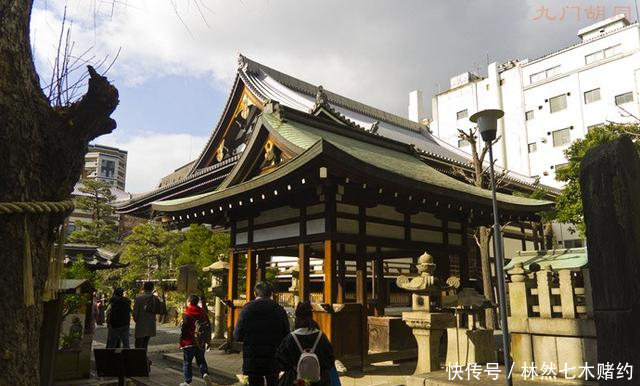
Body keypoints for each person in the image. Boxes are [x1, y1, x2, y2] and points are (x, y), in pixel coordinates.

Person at [234, 282, 290, 386]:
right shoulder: (279, 309)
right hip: (273, 357)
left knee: (255, 382)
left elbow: (237, 335)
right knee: (273, 382)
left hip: (253, 357)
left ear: (255, 294)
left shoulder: (247, 309)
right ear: (271, 294)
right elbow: (287, 335)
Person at [276, 302, 335, 386]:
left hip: (295, 380)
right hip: (319, 381)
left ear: (297, 318)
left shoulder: (290, 338)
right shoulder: (321, 337)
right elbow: (330, 360)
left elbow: (280, 361)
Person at [179, 295, 214, 386]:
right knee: (201, 360)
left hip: (188, 342)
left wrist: (182, 340)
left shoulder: (187, 312)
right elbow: (208, 326)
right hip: (200, 341)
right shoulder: (203, 312)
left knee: (187, 362)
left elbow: (184, 328)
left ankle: (187, 381)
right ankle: (205, 374)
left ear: (190, 302)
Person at [132, 281, 158, 350]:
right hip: (150, 324)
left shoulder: (139, 298)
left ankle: (139, 358)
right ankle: (144, 357)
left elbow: (135, 313)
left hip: (141, 323)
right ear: (152, 288)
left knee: (138, 344)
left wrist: (136, 320)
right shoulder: (155, 298)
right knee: (145, 343)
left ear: (144, 288)